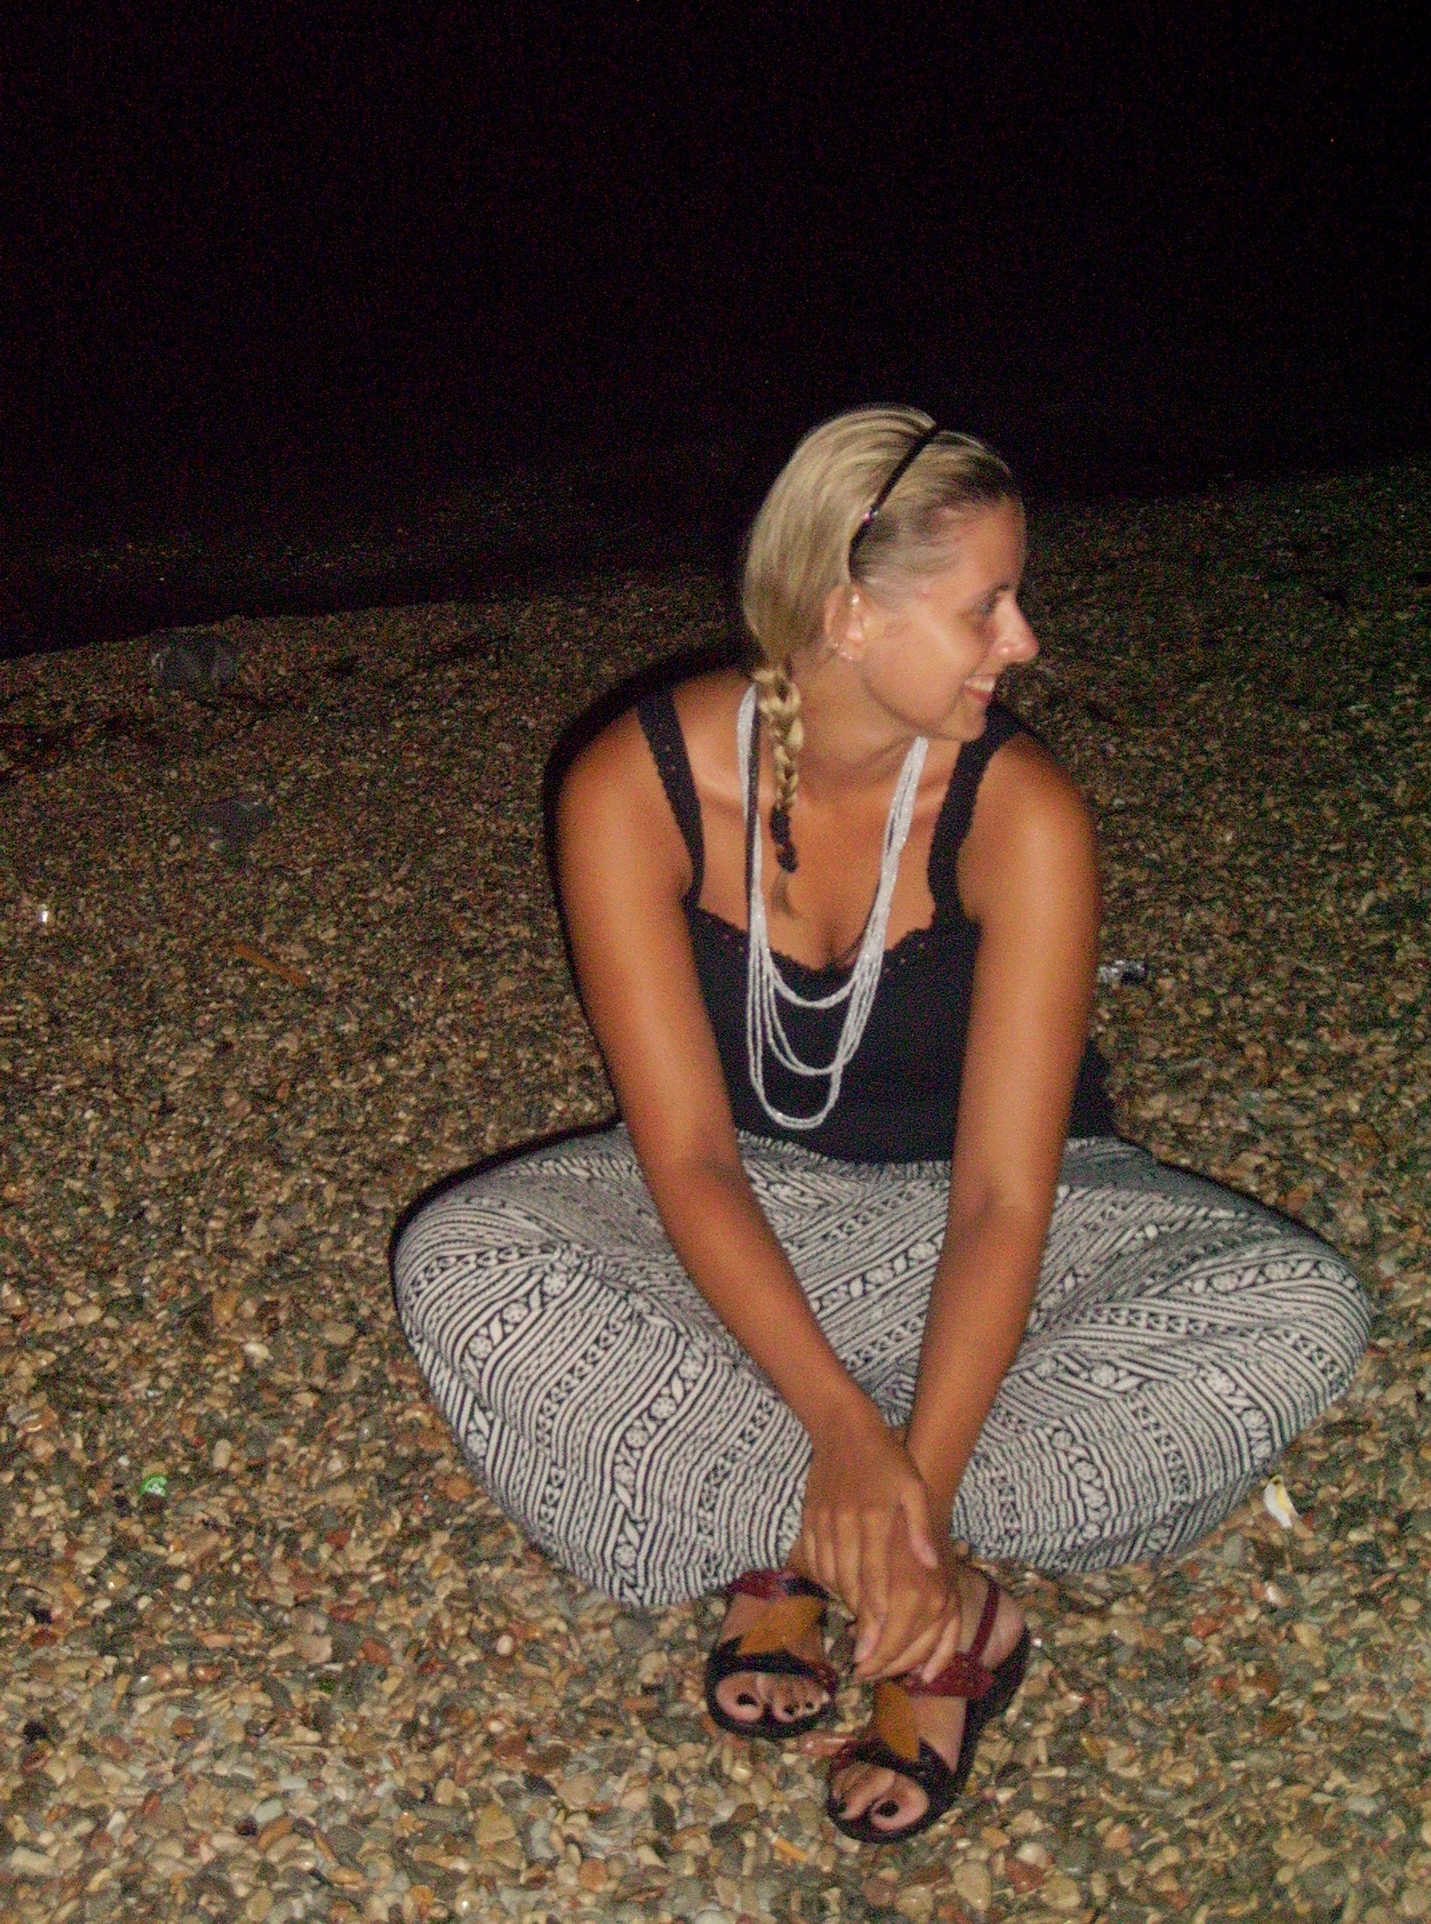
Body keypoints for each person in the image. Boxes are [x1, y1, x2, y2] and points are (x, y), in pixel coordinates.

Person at [393, 407, 1371, 1842]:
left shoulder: (1022, 813)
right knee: (464, 1260)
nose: (1022, 642)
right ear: (851, 615)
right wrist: (848, 1426)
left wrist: (914, 1479)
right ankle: (925, 1589)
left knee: (1301, 1306)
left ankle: (817, 1553)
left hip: (1006, 1240)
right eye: (986, 606)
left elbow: (1004, 1201)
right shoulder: (632, 786)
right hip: (749, 1222)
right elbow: (688, 1157)